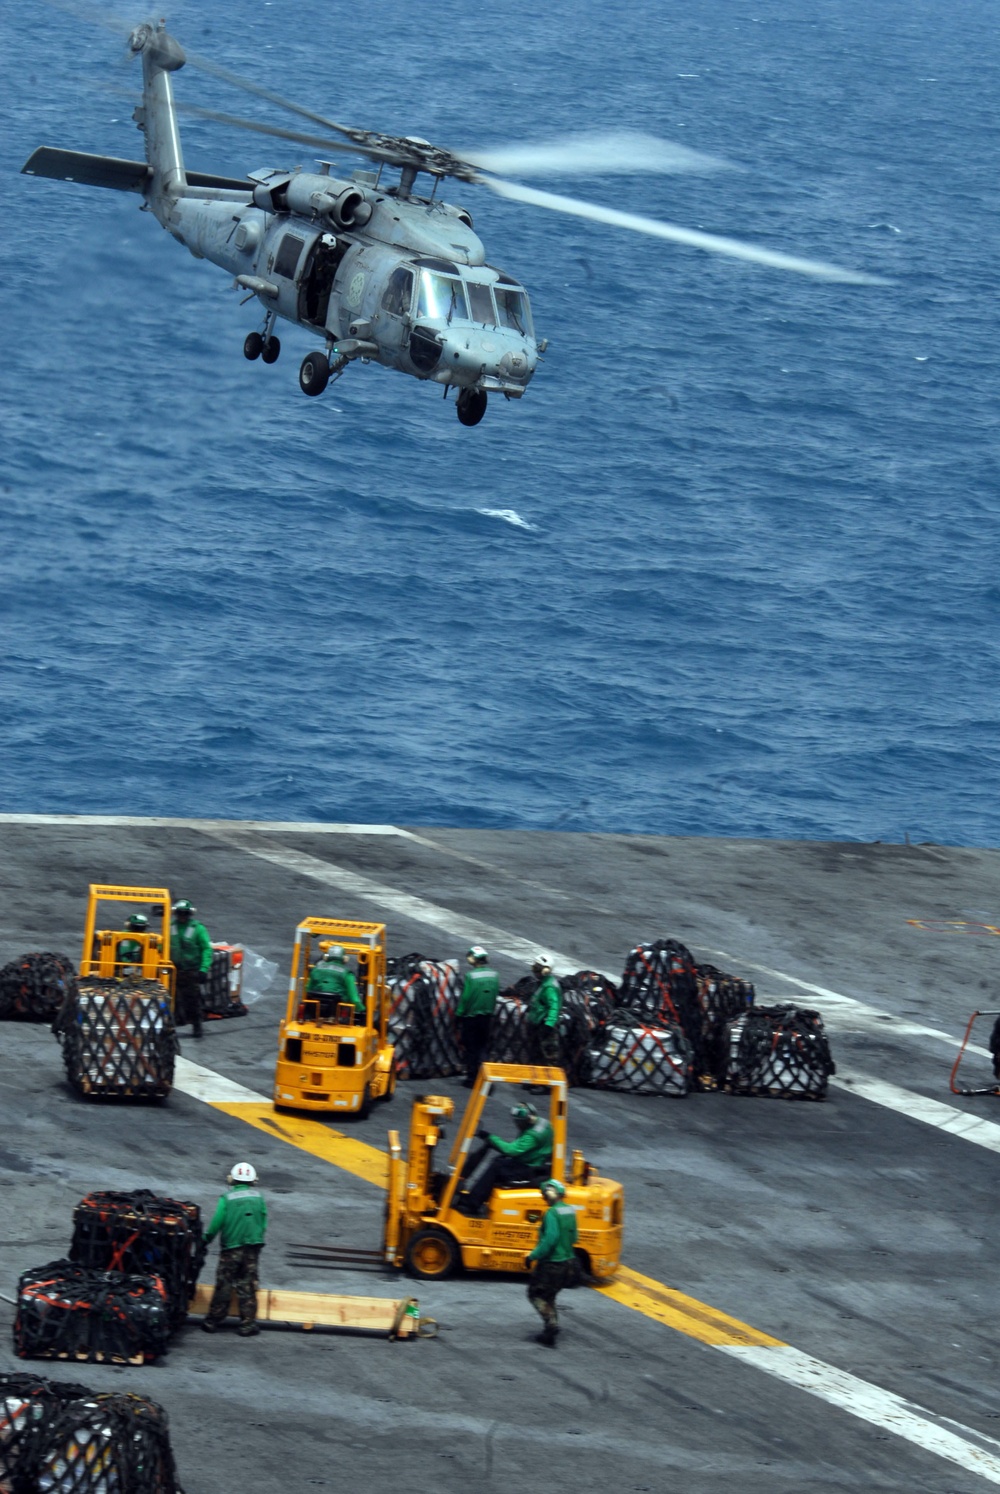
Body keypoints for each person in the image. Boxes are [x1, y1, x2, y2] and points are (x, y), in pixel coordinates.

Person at [202, 1162, 268, 1337]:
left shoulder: (227, 1198)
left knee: (224, 1284)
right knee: (247, 1285)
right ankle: (247, 1325)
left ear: (231, 1179)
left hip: (231, 1249)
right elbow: (263, 1222)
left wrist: (206, 1239)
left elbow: (217, 1223)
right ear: (253, 1181)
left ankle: (212, 1321)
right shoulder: (258, 1198)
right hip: (252, 1248)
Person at [460, 1100, 553, 1215]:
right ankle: (482, 1198)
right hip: (534, 1161)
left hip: (530, 1169)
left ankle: (471, 1205)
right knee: (500, 1161)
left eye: (518, 1122)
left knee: (496, 1168)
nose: (517, 1125)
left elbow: (511, 1150)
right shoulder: (543, 1123)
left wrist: (489, 1137)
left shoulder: (532, 1136)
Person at [525, 1177, 579, 1347]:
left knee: (535, 1294)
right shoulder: (569, 1210)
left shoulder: (552, 1213)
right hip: (569, 1262)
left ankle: (551, 1325)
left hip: (552, 1264)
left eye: (544, 1194)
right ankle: (550, 1331)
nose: (543, 1197)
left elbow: (550, 1239)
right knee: (550, 1295)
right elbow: (574, 1237)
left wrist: (532, 1256)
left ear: (550, 1193)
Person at [456, 945, 499, 1087]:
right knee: (483, 1048)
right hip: (487, 1018)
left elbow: (466, 998)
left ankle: (472, 1078)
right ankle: (486, 1078)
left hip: (471, 1018)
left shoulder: (471, 976)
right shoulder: (494, 975)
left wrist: (459, 1014)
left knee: (471, 1049)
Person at [170, 898, 213, 1039]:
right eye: (180, 913)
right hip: (173, 971)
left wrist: (203, 969)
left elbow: (207, 949)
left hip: (191, 971)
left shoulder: (198, 929)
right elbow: (161, 945)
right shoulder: (169, 927)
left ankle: (197, 1026)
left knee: (192, 1001)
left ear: (189, 914)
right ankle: (171, 1026)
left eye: (185, 913)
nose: (182, 916)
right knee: (170, 1001)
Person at [306, 945, 363, 1017]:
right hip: (338, 1011)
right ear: (344, 959)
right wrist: (361, 1009)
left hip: (314, 1009)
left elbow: (308, 988)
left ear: (326, 957)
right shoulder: (347, 974)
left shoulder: (316, 970)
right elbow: (354, 998)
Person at [527, 954, 562, 1071]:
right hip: (538, 1023)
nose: (534, 971)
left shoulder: (549, 987)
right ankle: (535, 1081)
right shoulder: (542, 983)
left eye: (537, 968)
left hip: (545, 1025)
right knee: (535, 1054)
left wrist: (549, 1025)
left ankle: (546, 1087)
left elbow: (554, 1007)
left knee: (548, 1057)